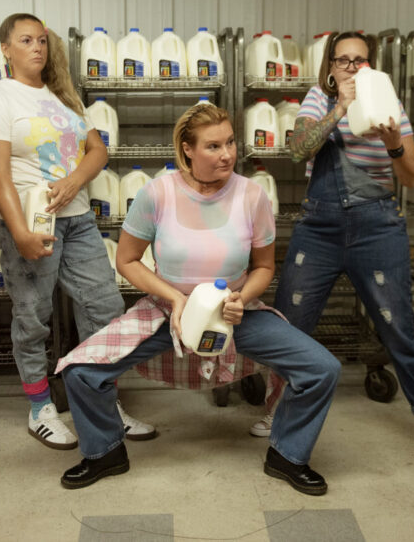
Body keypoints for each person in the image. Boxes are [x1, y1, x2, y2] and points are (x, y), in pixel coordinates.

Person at [55, 103, 341, 496]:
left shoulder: (252, 196)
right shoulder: (157, 194)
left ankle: (289, 456)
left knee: (321, 368)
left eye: (230, 143)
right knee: (82, 370)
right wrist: (173, 297)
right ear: (187, 150)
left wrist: (241, 298)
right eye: (212, 146)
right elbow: (126, 260)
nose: (226, 154)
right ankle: (104, 452)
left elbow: (263, 267)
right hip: (167, 310)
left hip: (233, 313)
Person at [268, 30, 414, 470]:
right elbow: (298, 151)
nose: (352, 66)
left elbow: (410, 177)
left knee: (398, 326)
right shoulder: (317, 99)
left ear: (371, 65)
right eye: (343, 60)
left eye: (360, 60)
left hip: (377, 227)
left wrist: (392, 144)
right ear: (330, 67)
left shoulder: (390, 103)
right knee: (288, 322)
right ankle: (277, 406)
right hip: (320, 227)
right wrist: (342, 108)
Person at [0, 14, 154, 449]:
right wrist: (19, 234)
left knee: (105, 307)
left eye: (42, 40)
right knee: (33, 316)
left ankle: (101, 400)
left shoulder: (64, 97)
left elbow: (98, 150)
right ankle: (40, 408)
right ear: (6, 50)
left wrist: (74, 181)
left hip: (77, 217)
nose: (37, 47)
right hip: (31, 220)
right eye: (26, 40)